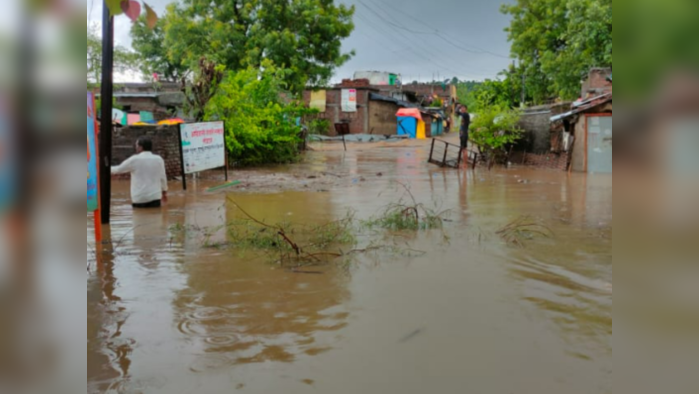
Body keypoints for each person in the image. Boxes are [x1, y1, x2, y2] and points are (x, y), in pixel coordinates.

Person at [112, 138, 168, 208]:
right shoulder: (159, 159)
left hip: (139, 198)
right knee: (155, 217)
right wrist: (164, 192)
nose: (135, 147)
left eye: (136, 145)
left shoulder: (134, 159)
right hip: (155, 197)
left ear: (140, 147)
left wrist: (101, 168)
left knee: (139, 217)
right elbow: (163, 177)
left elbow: (118, 169)